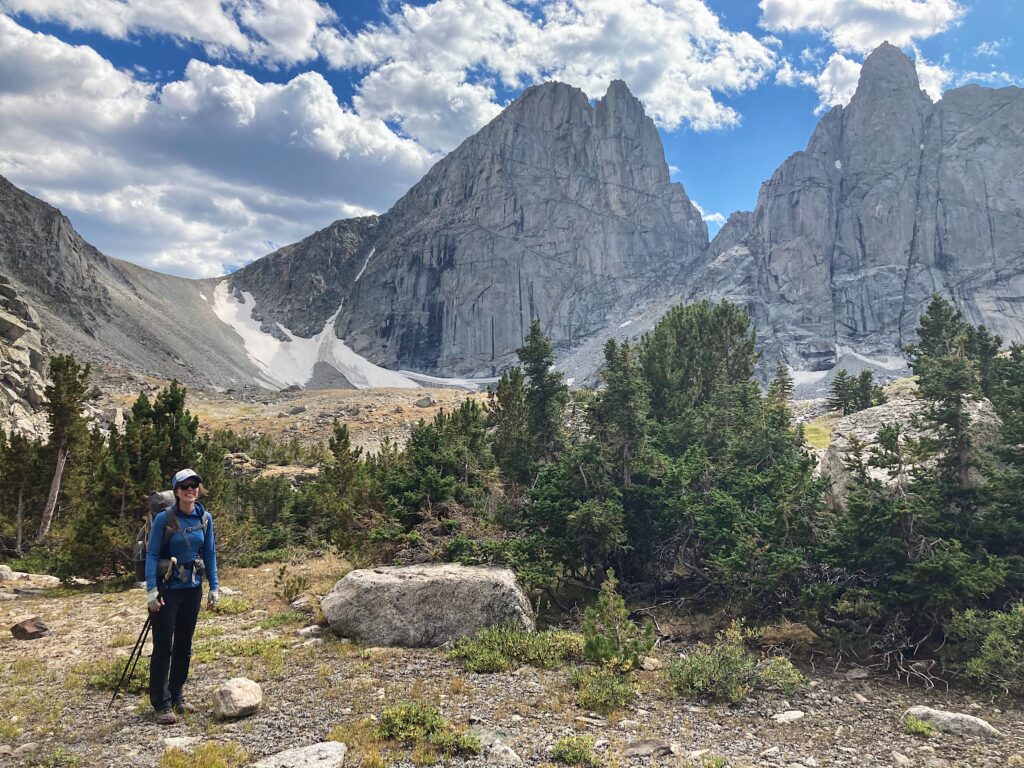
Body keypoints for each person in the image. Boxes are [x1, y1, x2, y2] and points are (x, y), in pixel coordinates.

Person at [145, 468, 219, 725]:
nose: (190, 489)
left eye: (194, 484)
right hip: (167, 591)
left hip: (192, 589)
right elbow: (152, 555)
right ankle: (161, 703)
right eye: (185, 485)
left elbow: (209, 554)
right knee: (163, 646)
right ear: (176, 491)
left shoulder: (205, 518)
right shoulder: (164, 519)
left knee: (184, 646)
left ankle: (177, 694)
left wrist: (214, 588)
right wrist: (151, 591)